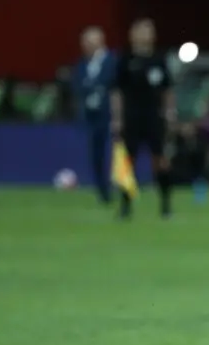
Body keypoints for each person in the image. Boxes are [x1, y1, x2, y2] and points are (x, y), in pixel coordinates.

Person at [110, 18, 176, 219]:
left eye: (148, 31)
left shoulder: (159, 59)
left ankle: (165, 205)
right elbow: (116, 92)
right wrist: (117, 118)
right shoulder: (125, 59)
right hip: (132, 117)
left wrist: (170, 113)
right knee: (128, 161)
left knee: (161, 160)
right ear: (132, 35)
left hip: (154, 117)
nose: (145, 35)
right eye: (140, 31)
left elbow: (168, 90)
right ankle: (125, 206)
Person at [73, 26, 116, 204]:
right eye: (84, 41)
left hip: (110, 114)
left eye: (89, 41)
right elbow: (76, 86)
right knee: (96, 154)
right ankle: (102, 191)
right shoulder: (82, 65)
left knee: (116, 153)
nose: (86, 45)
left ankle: (122, 186)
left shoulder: (112, 61)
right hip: (92, 116)